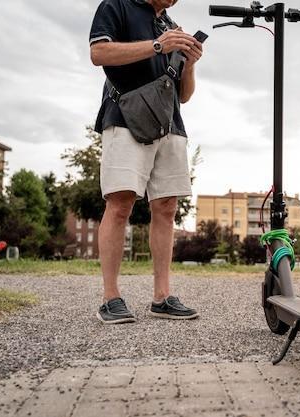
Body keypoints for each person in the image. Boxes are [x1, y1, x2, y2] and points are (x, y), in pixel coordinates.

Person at [89, 0, 202, 324]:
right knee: (120, 202)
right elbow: (98, 53)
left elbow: (184, 95)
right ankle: (111, 298)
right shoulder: (117, 5)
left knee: (167, 207)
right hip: (125, 115)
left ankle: (162, 297)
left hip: (170, 122)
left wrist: (190, 64)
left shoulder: (170, 24)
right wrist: (157, 46)